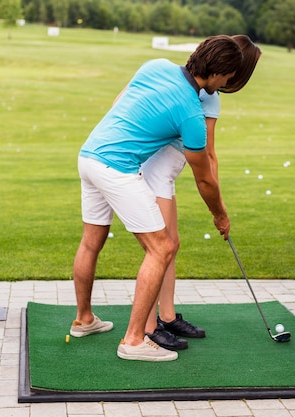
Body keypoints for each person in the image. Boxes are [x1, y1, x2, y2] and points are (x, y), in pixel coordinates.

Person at [70, 35, 243, 362]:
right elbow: (204, 178)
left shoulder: (155, 66)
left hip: (89, 155)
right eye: (228, 78)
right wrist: (220, 214)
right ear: (219, 73)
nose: (227, 84)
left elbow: (118, 103)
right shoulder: (192, 115)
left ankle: (84, 320)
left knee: (92, 241)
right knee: (162, 247)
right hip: (116, 168)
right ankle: (134, 340)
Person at [141, 35, 262, 350]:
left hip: (162, 173)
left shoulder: (206, 90)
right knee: (162, 248)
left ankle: (166, 316)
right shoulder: (208, 95)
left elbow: (209, 156)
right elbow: (208, 157)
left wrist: (217, 203)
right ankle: (150, 327)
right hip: (155, 172)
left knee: (171, 244)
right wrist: (218, 210)